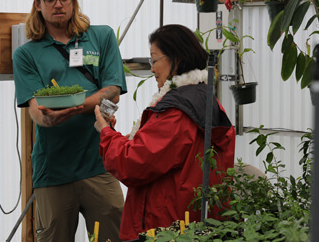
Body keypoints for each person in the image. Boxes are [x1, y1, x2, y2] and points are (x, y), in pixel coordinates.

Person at [93, 24, 236, 241]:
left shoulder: (176, 112)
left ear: (176, 59)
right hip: (191, 221)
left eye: (154, 60)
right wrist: (113, 132)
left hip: (165, 228)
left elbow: (132, 162)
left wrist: (105, 132)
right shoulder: (205, 99)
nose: (151, 69)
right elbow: (153, 150)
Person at [12, 0, 127, 242]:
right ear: (37, 5)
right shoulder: (27, 54)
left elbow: (113, 91)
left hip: (100, 163)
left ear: (73, 2)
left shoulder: (101, 37)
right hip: (54, 169)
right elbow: (37, 111)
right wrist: (50, 117)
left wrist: (76, 107)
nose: (58, 5)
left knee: (115, 237)